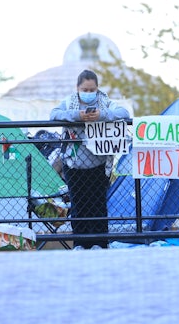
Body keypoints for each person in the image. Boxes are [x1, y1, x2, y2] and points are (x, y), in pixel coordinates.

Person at [50, 69, 130, 249]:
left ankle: (100, 243)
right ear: (77, 88)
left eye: (91, 89)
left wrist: (102, 115)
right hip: (74, 164)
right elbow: (54, 114)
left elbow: (123, 112)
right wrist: (77, 116)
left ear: (97, 88)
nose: (88, 93)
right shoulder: (68, 102)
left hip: (98, 164)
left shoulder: (104, 101)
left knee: (98, 205)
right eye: (84, 90)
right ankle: (81, 243)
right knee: (78, 206)